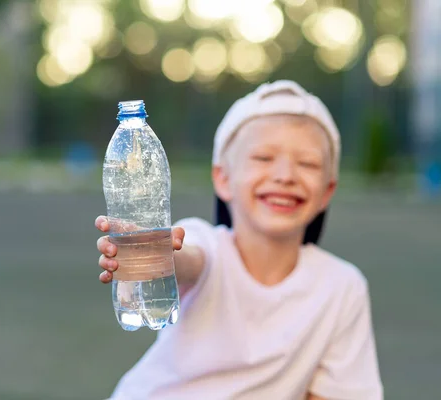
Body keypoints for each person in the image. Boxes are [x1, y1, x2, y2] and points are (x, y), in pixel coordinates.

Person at [95, 80, 383, 400]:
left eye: (308, 164)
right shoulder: (207, 245)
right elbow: (187, 260)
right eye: (263, 158)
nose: (285, 175)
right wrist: (155, 255)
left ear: (328, 190)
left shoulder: (341, 287)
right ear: (223, 178)